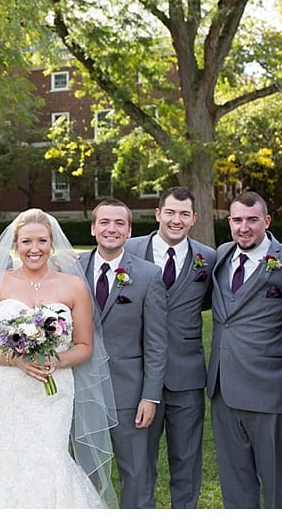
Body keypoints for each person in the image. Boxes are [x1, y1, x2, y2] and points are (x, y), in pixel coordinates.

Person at [0, 208, 117, 508]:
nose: (34, 249)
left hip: (53, 390)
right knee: (1, 457)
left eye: (42, 241)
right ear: (15, 245)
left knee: (50, 455)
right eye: (26, 242)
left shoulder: (73, 286)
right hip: (3, 390)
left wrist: (57, 360)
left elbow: (85, 345)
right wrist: (17, 360)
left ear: (52, 244)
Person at [124, 186, 216, 508]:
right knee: (138, 466)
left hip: (186, 376)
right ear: (158, 214)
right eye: (171, 213)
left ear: (194, 218)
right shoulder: (129, 250)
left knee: (187, 463)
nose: (177, 220)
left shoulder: (208, 258)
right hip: (138, 377)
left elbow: (206, 302)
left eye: (184, 214)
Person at [207, 191, 282, 508]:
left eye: (252, 220)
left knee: (276, 483)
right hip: (222, 388)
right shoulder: (220, 256)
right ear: (229, 222)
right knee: (234, 483)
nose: (244, 227)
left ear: (266, 221)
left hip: (270, 388)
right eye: (237, 220)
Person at [78, 199, 168, 508]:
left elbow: (157, 342)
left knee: (136, 474)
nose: (111, 229)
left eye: (119, 223)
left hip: (129, 396)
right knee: (82, 474)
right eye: (104, 222)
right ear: (93, 228)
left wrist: (150, 396)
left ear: (129, 231)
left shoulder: (148, 274)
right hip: (81, 393)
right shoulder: (70, 271)